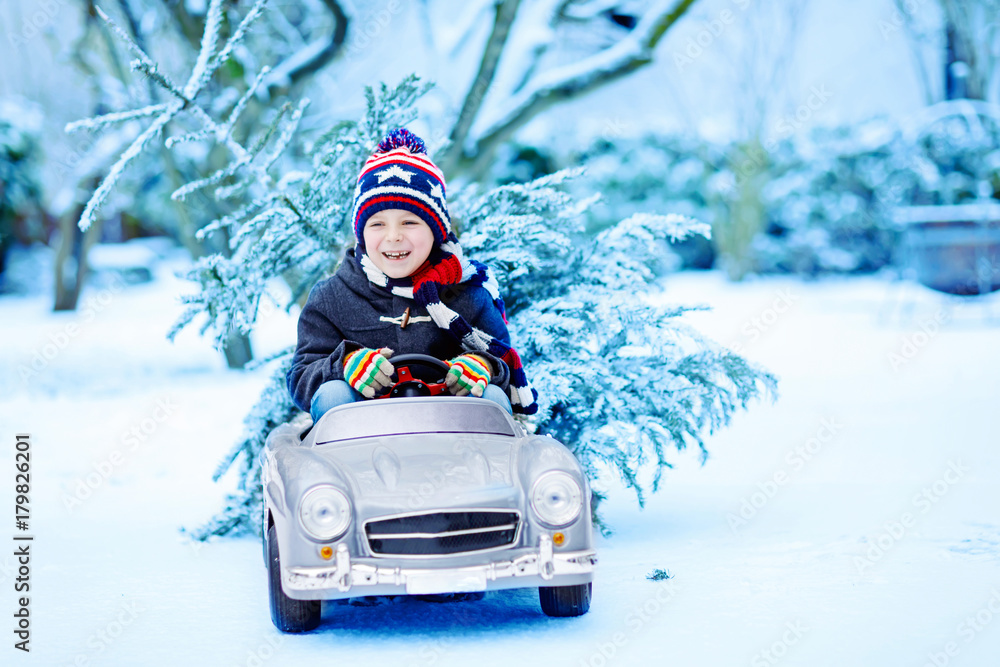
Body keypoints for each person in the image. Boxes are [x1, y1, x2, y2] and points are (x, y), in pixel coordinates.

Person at [287, 128, 538, 424]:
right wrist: (343, 364)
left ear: (436, 231)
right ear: (361, 234)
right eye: (378, 224)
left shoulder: (467, 294)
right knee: (332, 395)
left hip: (454, 441)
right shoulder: (333, 297)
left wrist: (482, 365)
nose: (393, 237)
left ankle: (497, 465)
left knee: (492, 399)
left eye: (409, 222)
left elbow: (500, 359)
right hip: (361, 445)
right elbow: (302, 375)